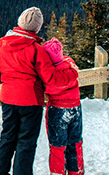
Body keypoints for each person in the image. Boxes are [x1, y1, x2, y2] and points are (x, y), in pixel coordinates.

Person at [0, 7, 70, 175]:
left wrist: (4, 79)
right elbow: (50, 78)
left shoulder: (1, 43)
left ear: (19, 22)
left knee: (7, 138)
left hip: (8, 98)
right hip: (31, 101)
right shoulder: (36, 49)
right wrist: (70, 72)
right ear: (37, 28)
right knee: (26, 143)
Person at [42, 37, 83, 175]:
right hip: (75, 108)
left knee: (57, 146)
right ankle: (76, 171)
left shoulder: (48, 74)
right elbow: (67, 59)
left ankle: (58, 172)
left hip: (57, 110)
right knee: (75, 143)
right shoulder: (70, 67)